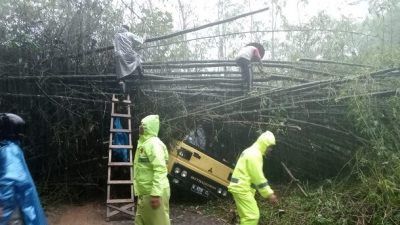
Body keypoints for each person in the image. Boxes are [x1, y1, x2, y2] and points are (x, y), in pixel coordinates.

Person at [0, 113, 49, 225]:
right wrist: (2, 204)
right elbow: (9, 180)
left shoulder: (6, 148)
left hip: (15, 206)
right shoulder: (10, 150)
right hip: (14, 207)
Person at [228, 130, 278, 225]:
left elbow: (249, 174)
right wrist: (269, 194)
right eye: (270, 146)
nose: (270, 149)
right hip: (241, 187)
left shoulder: (250, 151)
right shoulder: (255, 155)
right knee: (252, 216)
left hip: (239, 186)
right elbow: (258, 177)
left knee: (246, 216)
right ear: (265, 143)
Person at [133, 115, 170, 225]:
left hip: (153, 192)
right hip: (145, 194)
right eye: (140, 125)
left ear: (150, 127)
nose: (140, 128)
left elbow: (160, 169)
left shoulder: (154, 144)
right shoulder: (144, 144)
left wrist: (156, 194)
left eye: (143, 126)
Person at [114, 25, 145, 93]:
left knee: (120, 71)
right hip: (128, 54)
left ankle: (121, 81)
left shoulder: (116, 35)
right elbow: (140, 41)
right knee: (138, 57)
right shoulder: (129, 34)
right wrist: (144, 37)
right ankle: (141, 73)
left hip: (118, 56)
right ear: (127, 29)